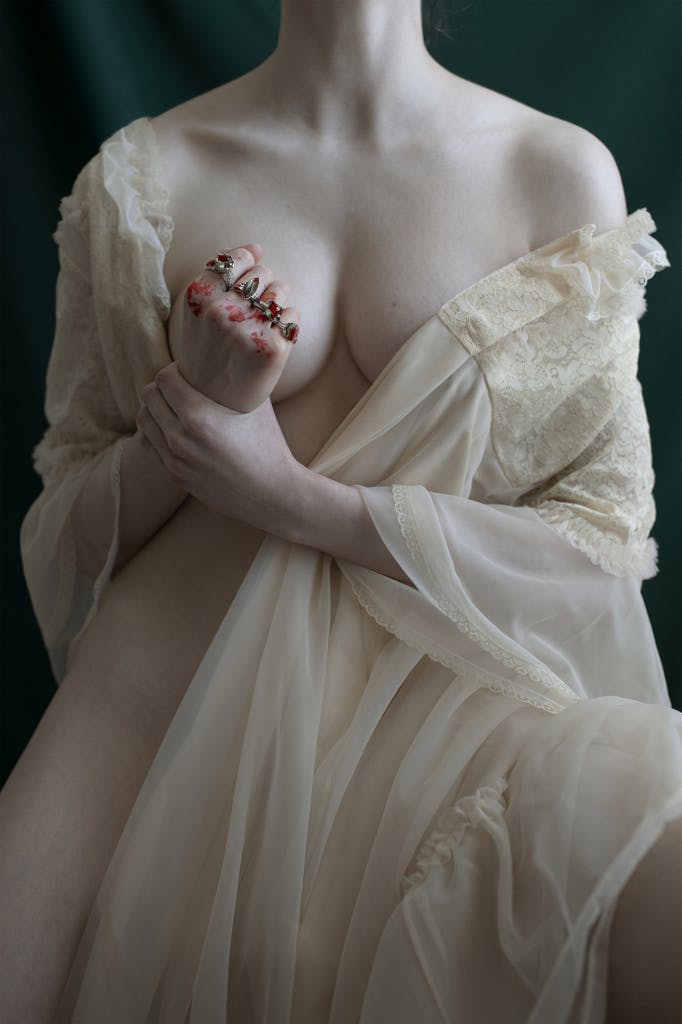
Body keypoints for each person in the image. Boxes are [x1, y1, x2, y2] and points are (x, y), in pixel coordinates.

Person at [2, 0, 681, 1020]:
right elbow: (67, 537)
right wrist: (190, 413)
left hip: (445, 726)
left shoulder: (553, 173)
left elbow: (599, 548)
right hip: (157, 720)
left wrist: (291, 497)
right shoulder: (149, 178)